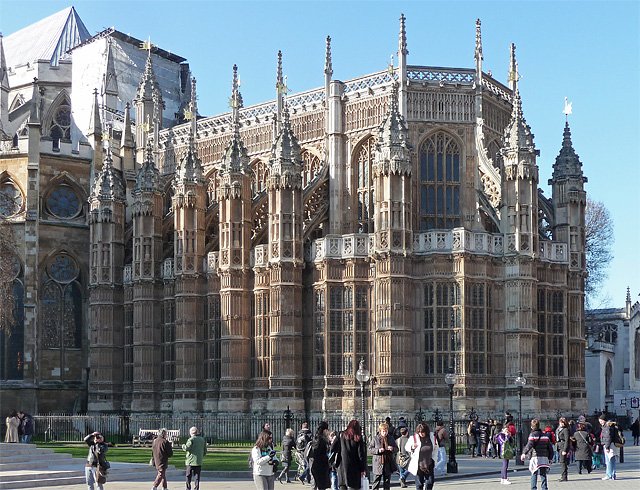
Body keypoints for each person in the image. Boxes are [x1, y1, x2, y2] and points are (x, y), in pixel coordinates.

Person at [520, 419, 553, 490]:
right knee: (543, 474)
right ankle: (544, 488)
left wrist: (524, 453)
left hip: (535, 457)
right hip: (544, 457)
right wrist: (550, 458)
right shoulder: (545, 435)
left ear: (532, 427)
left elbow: (529, 445)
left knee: (534, 473)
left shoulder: (532, 435)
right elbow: (550, 448)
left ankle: (533, 488)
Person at [337, 419, 367, 490]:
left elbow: (334, 448)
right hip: (354, 468)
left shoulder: (341, 435)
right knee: (353, 487)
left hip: (342, 466)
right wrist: (363, 469)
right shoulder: (358, 438)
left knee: (343, 486)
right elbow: (361, 455)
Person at [406, 422, 438, 490]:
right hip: (418, 465)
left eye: (422, 432)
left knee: (430, 482)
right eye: (419, 432)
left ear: (426, 431)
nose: (421, 434)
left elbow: (435, 448)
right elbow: (407, 447)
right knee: (419, 484)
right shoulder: (414, 438)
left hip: (429, 464)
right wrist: (412, 447)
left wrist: (434, 459)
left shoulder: (432, 437)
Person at [369, 422, 398, 490]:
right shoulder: (375, 439)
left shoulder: (390, 438)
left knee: (387, 482)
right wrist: (378, 450)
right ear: (380, 431)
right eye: (383, 431)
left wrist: (392, 448)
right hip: (378, 462)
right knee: (376, 481)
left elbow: (396, 449)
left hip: (387, 462)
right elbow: (370, 449)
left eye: (386, 431)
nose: (385, 433)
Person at [183, 426, 207, 490]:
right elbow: (205, 450)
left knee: (188, 476)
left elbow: (187, 448)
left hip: (190, 461)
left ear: (191, 433)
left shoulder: (191, 439)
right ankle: (196, 487)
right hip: (198, 461)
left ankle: (188, 488)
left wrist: (183, 446)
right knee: (197, 476)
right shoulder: (202, 439)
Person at [309, 421, 331, 490]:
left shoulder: (315, 438)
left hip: (315, 465)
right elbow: (319, 453)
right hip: (320, 466)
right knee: (321, 486)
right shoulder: (321, 440)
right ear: (324, 430)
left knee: (318, 485)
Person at [599, 414, 619, 481]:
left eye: (601, 421)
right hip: (612, 445)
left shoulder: (606, 427)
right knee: (612, 461)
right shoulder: (609, 426)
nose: (600, 422)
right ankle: (613, 475)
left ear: (604, 420)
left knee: (609, 461)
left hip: (609, 446)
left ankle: (609, 475)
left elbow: (608, 437)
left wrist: (607, 447)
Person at [556, 417, 570, 481]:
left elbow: (567, 440)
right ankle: (563, 476)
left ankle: (564, 476)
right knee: (562, 462)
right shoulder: (559, 429)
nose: (562, 424)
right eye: (561, 422)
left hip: (563, 446)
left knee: (563, 462)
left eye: (563, 423)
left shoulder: (565, 430)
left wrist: (565, 450)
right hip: (559, 446)